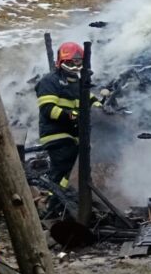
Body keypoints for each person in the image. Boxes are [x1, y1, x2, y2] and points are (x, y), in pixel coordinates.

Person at [35, 42, 102, 188]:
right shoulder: (50, 81)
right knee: (66, 166)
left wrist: (102, 109)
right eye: (70, 63)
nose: (74, 67)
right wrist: (74, 116)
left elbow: (91, 101)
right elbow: (48, 109)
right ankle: (56, 197)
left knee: (71, 169)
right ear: (61, 62)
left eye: (78, 62)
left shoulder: (78, 84)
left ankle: (62, 195)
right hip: (56, 135)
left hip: (73, 136)